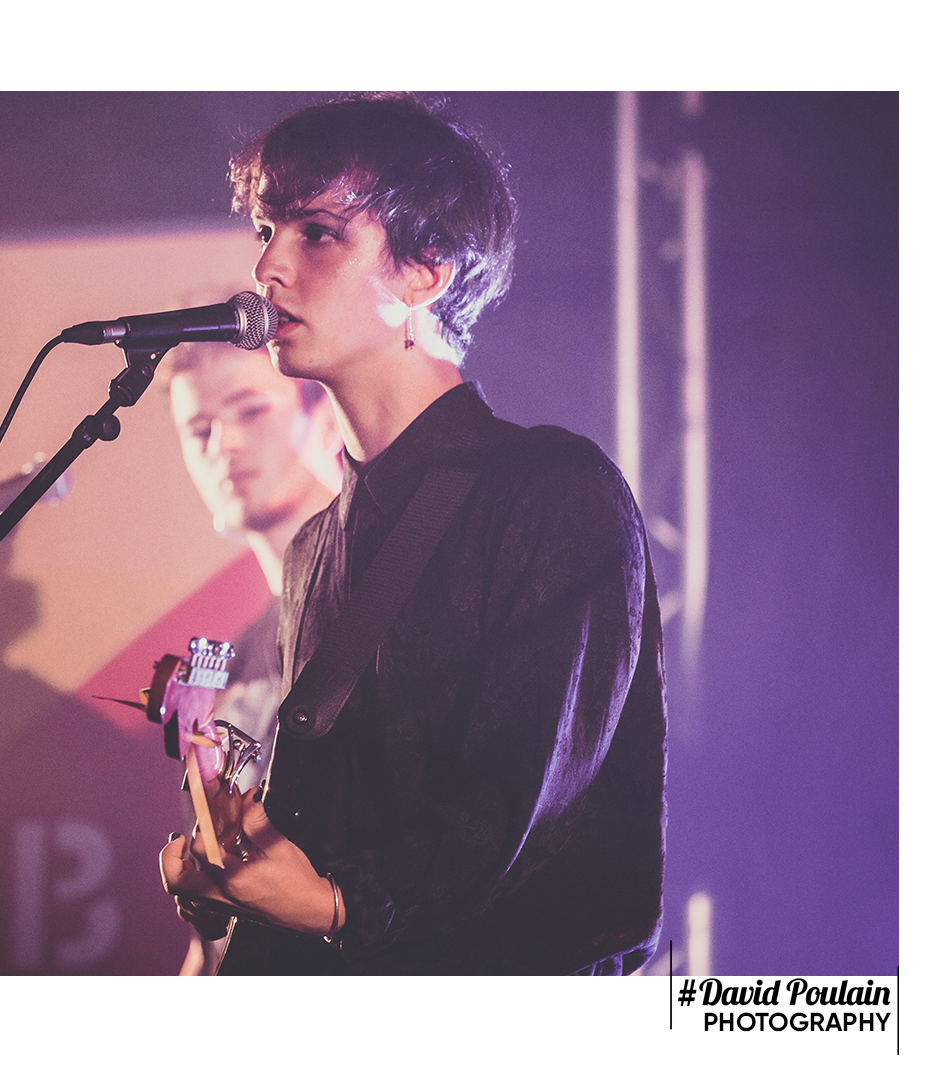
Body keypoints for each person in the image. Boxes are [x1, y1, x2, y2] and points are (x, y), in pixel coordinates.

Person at [158, 92, 666, 975]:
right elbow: (347, 814)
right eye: (266, 230)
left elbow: (524, 804)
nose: (268, 265)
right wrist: (237, 865)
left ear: (428, 269)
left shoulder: (554, 491)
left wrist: (339, 903)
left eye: (318, 232)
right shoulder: (314, 548)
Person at [161, 336, 342, 974]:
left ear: (327, 418)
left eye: (251, 410)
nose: (225, 444)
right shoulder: (225, 669)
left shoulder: (398, 609)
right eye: (199, 430)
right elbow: (212, 937)